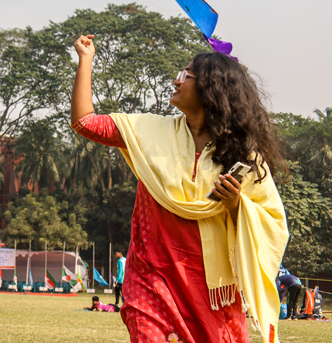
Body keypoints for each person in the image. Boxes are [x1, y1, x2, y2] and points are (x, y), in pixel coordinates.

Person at [71, 35, 288, 342]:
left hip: (211, 290)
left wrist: (238, 204)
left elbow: (274, 223)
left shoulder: (244, 155)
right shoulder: (150, 132)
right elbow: (85, 122)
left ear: (209, 88)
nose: (176, 81)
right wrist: (86, 59)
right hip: (150, 278)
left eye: (186, 74)